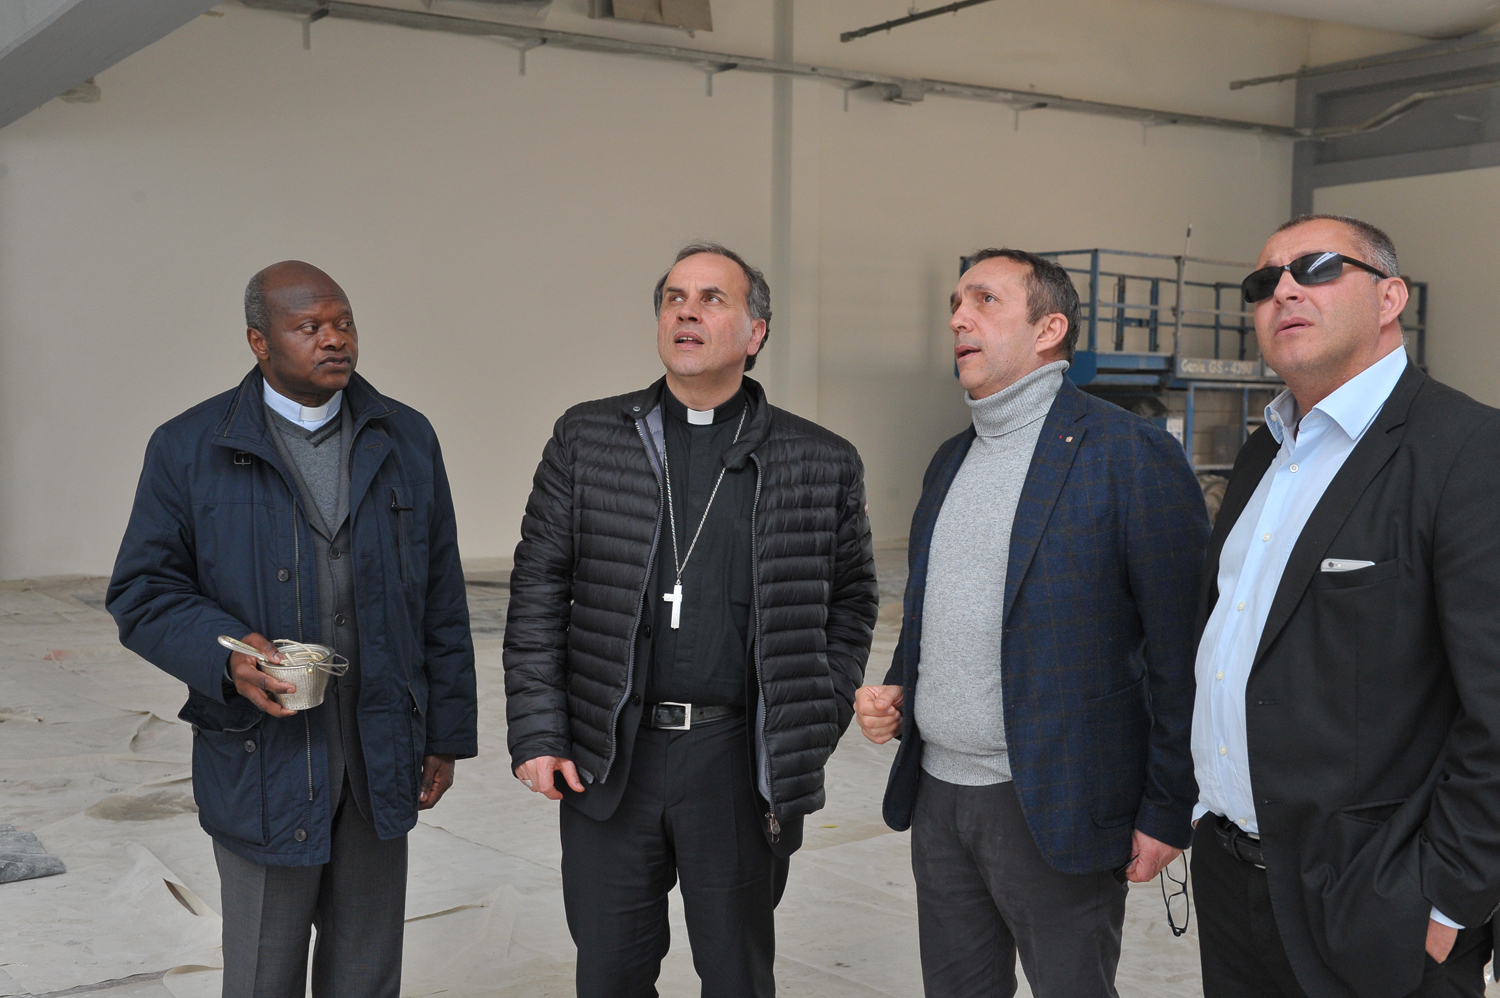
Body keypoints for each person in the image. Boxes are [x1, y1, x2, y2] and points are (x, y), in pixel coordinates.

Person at [503, 242, 879, 998]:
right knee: (609, 974)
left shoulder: (821, 460)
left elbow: (851, 600)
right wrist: (539, 730)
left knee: (737, 976)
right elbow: (538, 587)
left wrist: (816, 713)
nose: (687, 311)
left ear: (756, 331)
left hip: (737, 765)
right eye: (674, 297)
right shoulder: (587, 439)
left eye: (712, 299)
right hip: (613, 758)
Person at [107, 261, 477, 998]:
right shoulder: (190, 447)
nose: (334, 340)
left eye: (343, 324)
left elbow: (441, 596)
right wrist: (226, 656)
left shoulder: (405, 437)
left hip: (379, 749)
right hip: (261, 757)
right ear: (259, 341)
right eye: (309, 327)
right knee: (263, 972)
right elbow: (143, 591)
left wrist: (446, 733)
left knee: (366, 972)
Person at [855, 248, 1207, 998]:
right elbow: (933, 609)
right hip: (940, 797)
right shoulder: (949, 460)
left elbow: (1182, 652)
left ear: (1050, 329)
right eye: (955, 303)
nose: (959, 318)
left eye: (984, 300)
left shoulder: (1130, 454)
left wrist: (1168, 807)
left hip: (1056, 799)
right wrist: (898, 685)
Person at [1189, 214, 1500, 998]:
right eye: (1265, 282)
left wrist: (1449, 895)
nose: (1285, 290)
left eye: (1320, 267)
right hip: (1232, 879)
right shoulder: (1264, 451)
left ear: (1390, 297)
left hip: (1376, 899)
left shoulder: (1467, 451)